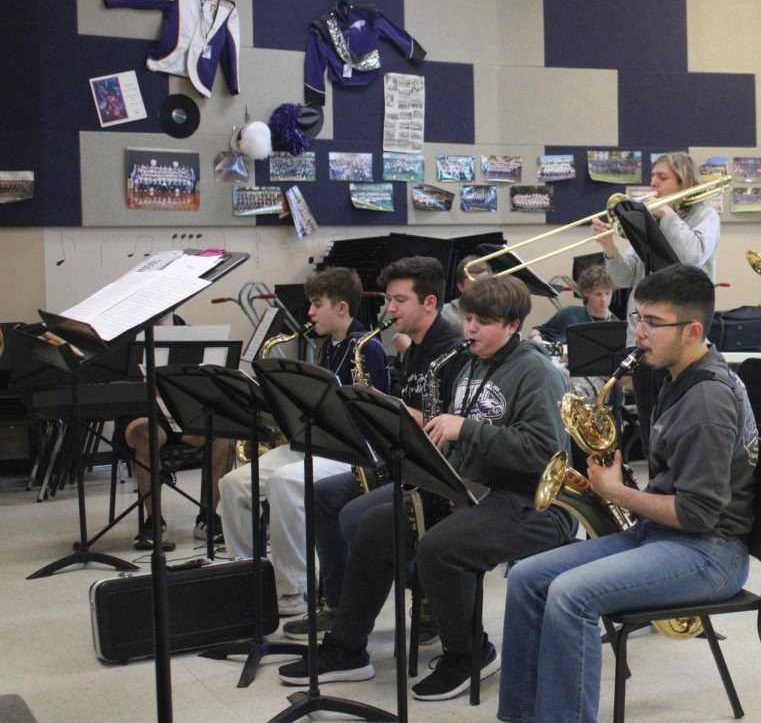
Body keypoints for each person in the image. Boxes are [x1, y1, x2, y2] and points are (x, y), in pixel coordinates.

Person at [276, 275, 575, 698]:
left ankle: (470, 654)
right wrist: (433, 473)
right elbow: (457, 441)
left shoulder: (537, 372)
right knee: (375, 525)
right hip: (476, 489)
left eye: (483, 322)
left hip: (532, 502)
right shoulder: (474, 362)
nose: (470, 328)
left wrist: (465, 430)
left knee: (440, 546)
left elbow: (543, 453)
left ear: (513, 325)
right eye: (469, 318)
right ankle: (347, 650)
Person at [496, 263, 758, 723]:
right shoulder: (680, 375)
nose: (639, 333)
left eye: (653, 324)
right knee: (526, 578)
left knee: (571, 595)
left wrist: (615, 492)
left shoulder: (706, 401)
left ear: (694, 330)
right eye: (638, 318)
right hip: (663, 536)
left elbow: (697, 515)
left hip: (711, 551)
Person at [283, 256, 468, 641]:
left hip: (435, 471)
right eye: (388, 299)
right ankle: (335, 604)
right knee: (322, 496)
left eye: (399, 300)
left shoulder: (453, 350)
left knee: (357, 518)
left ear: (429, 303)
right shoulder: (413, 348)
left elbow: (448, 423)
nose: (390, 309)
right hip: (402, 461)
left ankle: (430, 590)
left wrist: (386, 409)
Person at [217, 267, 389, 616]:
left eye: (316, 304)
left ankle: (293, 590)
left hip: (352, 449)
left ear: (341, 308)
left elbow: (372, 412)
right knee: (233, 483)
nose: (309, 313)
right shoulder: (329, 346)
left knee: (285, 482)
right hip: (315, 441)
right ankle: (249, 576)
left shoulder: (367, 348)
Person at [592, 152, 720, 457]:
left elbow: (692, 258)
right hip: (643, 335)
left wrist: (668, 215)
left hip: (679, 338)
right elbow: (625, 278)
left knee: (676, 423)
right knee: (651, 423)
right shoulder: (653, 218)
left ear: (683, 181)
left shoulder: (706, 216)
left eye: (662, 177)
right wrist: (609, 248)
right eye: (653, 176)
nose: (653, 183)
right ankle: (654, 491)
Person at [123, 419, 235, 550]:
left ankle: (207, 517)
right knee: (147, 436)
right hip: (140, 417)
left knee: (225, 437)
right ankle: (154, 521)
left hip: (179, 417)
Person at [530, 264, 615, 345]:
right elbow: (537, 330)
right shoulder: (569, 313)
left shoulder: (617, 324)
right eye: (598, 294)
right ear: (586, 292)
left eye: (607, 293)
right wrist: (536, 337)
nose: (604, 299)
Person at [441, 254, 493, 329]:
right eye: (475, 286)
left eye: (485, 284)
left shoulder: (498, 311)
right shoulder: (444, 314)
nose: (482, 290)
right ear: (460, 286)